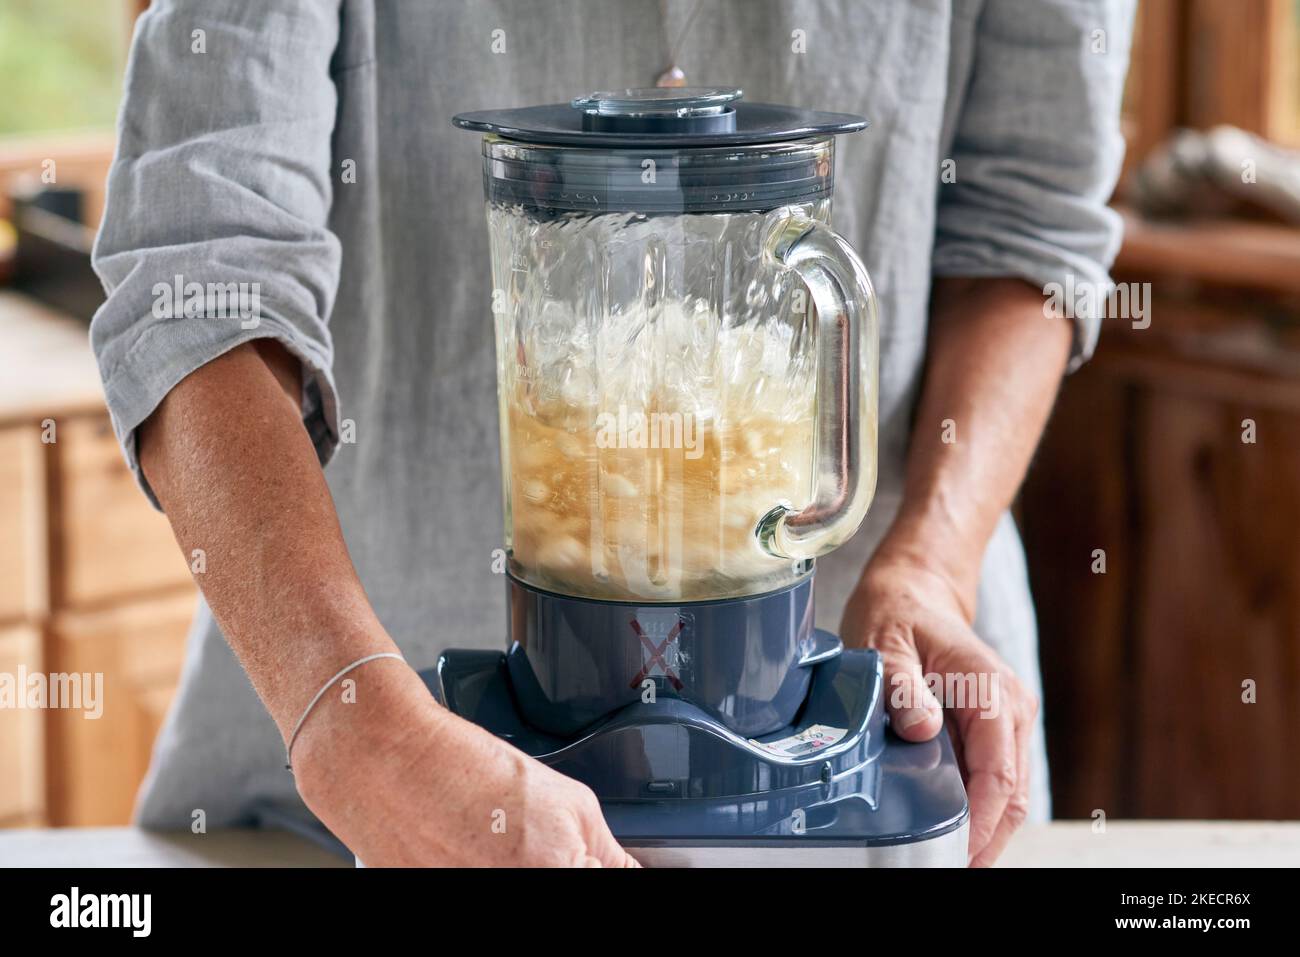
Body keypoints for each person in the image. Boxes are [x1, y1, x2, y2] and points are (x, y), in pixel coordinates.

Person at [90, 0, 1133, 867]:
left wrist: (932, 569)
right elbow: (201, 274)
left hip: (879, 704)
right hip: (340, 749)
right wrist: (349, 720)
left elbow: (1025, 224)